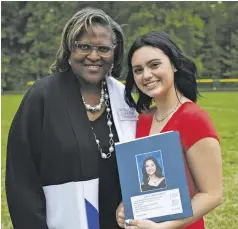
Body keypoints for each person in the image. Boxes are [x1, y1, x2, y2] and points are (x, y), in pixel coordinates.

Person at [5, 7, 138, 229]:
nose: (94, 56)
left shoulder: (124, 99)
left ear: (115, 53)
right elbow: (22, 180)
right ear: (69, 49)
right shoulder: (42, 96)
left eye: (103, 48)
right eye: (84, 46)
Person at [116, 31, 222, 229]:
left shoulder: (193, 119)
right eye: (138, 70)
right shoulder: (144, 119)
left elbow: (212, 194)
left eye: (154, 65)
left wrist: (164, 227)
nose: (146, 75)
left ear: (173, 65)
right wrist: (126, 207)